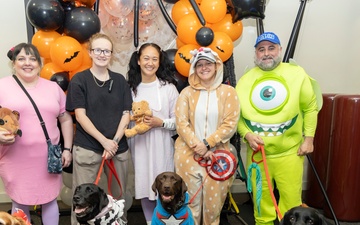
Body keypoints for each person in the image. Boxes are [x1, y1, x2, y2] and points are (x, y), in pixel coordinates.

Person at [235, 32, 322, 224]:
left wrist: (309, 139)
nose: (266, 53)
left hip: (290, 154)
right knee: (260, 205)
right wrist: (247, 134)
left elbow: (310, 107)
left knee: (292, 208)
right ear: (256, 54)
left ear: (280, 50)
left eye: (271, 48)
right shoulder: (244, 80)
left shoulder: (297, 74)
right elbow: (236, 117)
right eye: (261, 49)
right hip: (258, 156)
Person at [0, 43, 73, 225]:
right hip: (15, 157)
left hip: (48, 157)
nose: (27, 63)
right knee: (19, 199)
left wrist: (67, 149)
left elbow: (65, 119)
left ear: (39, 63)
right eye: (21, 59)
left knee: (49, 200)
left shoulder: (52, 88)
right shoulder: (2, 86)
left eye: (32, 59)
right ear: (13, 63)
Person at [66, 33, 132, 225]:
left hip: (118, 149)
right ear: (90, 53)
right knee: (81, 203)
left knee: (119, 200)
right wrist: (104, 142)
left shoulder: (120, 81)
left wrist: (114, 143)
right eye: (98, 50)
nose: (102, 54)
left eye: (107, 51)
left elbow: (126, 114)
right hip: (88, 149)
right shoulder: (80, 80)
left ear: (111, 54)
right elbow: (80, 116)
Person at [174, 47, 240, 225]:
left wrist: (208, 144)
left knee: (213, 208)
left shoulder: (229, 93)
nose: (204, 68)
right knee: (189, 205)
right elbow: (181, 123)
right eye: (199, 64)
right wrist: (199, 147)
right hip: (187, 156)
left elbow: (230, 124)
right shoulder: (186, 93)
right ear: (194, 69)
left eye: (208, 63)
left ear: (217, 66)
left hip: (218, 157)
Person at [126, 43, 179, 224]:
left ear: (160, 62)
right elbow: (124, 118)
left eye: (154, 59)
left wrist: (161, 122)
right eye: (146, 58)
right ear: (139, 61)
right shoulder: (130, 89)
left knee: (165, 187)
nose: (150, 63)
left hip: (162, 146)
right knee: (144, 186)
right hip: (139, 146)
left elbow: (180, 122)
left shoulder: (168, 88)